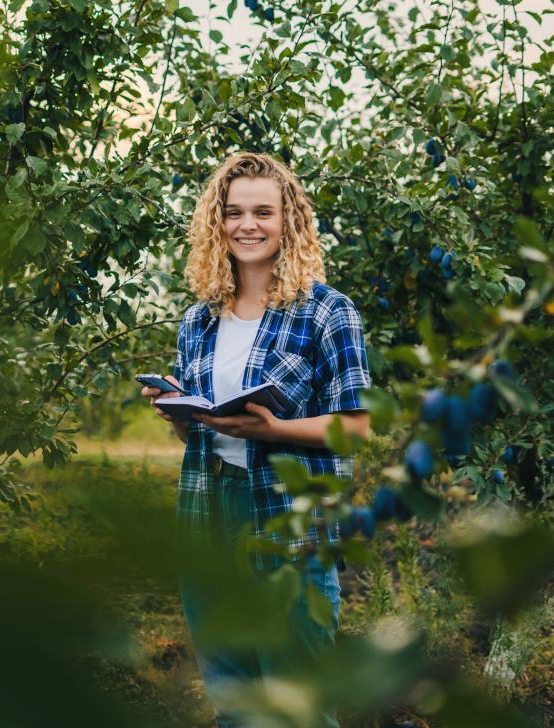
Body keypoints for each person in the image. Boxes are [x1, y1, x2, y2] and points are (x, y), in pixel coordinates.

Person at [141, 151, 371, 727]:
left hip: (288, 519)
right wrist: (177, 413)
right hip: (207, 516)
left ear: (289, 221)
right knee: (234, 700)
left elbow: (358, 426)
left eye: (263, 212)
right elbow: (205, 435)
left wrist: (274, 430)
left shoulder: (327, 313)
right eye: (234, 212)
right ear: (216, 223)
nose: (248, 225)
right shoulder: (199, 320)